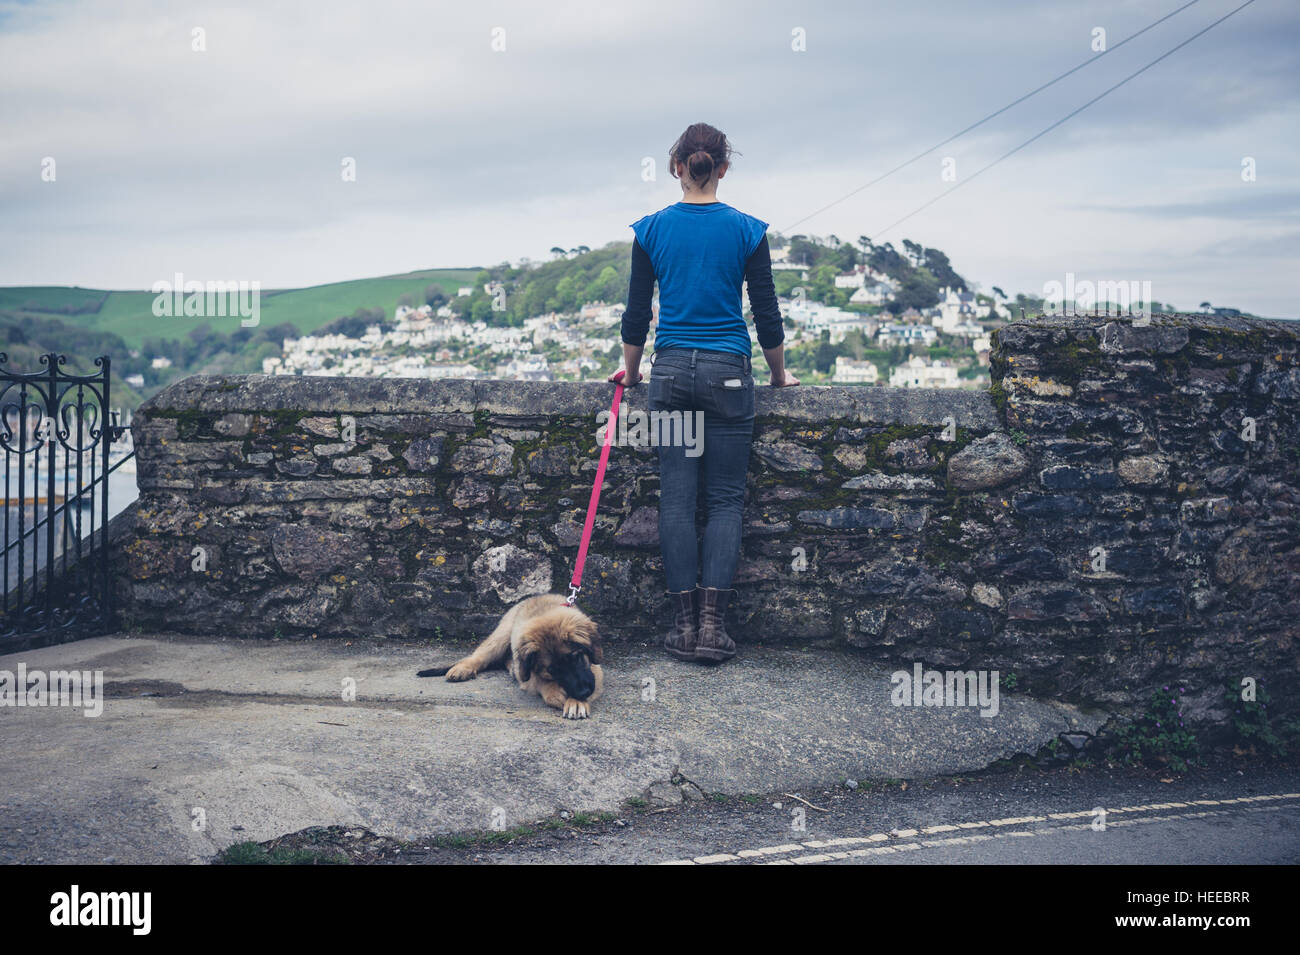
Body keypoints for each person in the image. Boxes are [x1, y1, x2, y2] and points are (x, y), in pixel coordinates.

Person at [609, 122, 799, 664]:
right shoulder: (747, 230)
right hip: (730, 376)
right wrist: (779, 376)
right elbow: (767, 313)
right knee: (722, 502)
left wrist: (631, 371)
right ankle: (713, 630)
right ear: (722, 167)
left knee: (676, 500)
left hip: (669, 376)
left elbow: (635, 315)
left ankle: (682, 627)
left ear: (676, 168)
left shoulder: (650, 231)